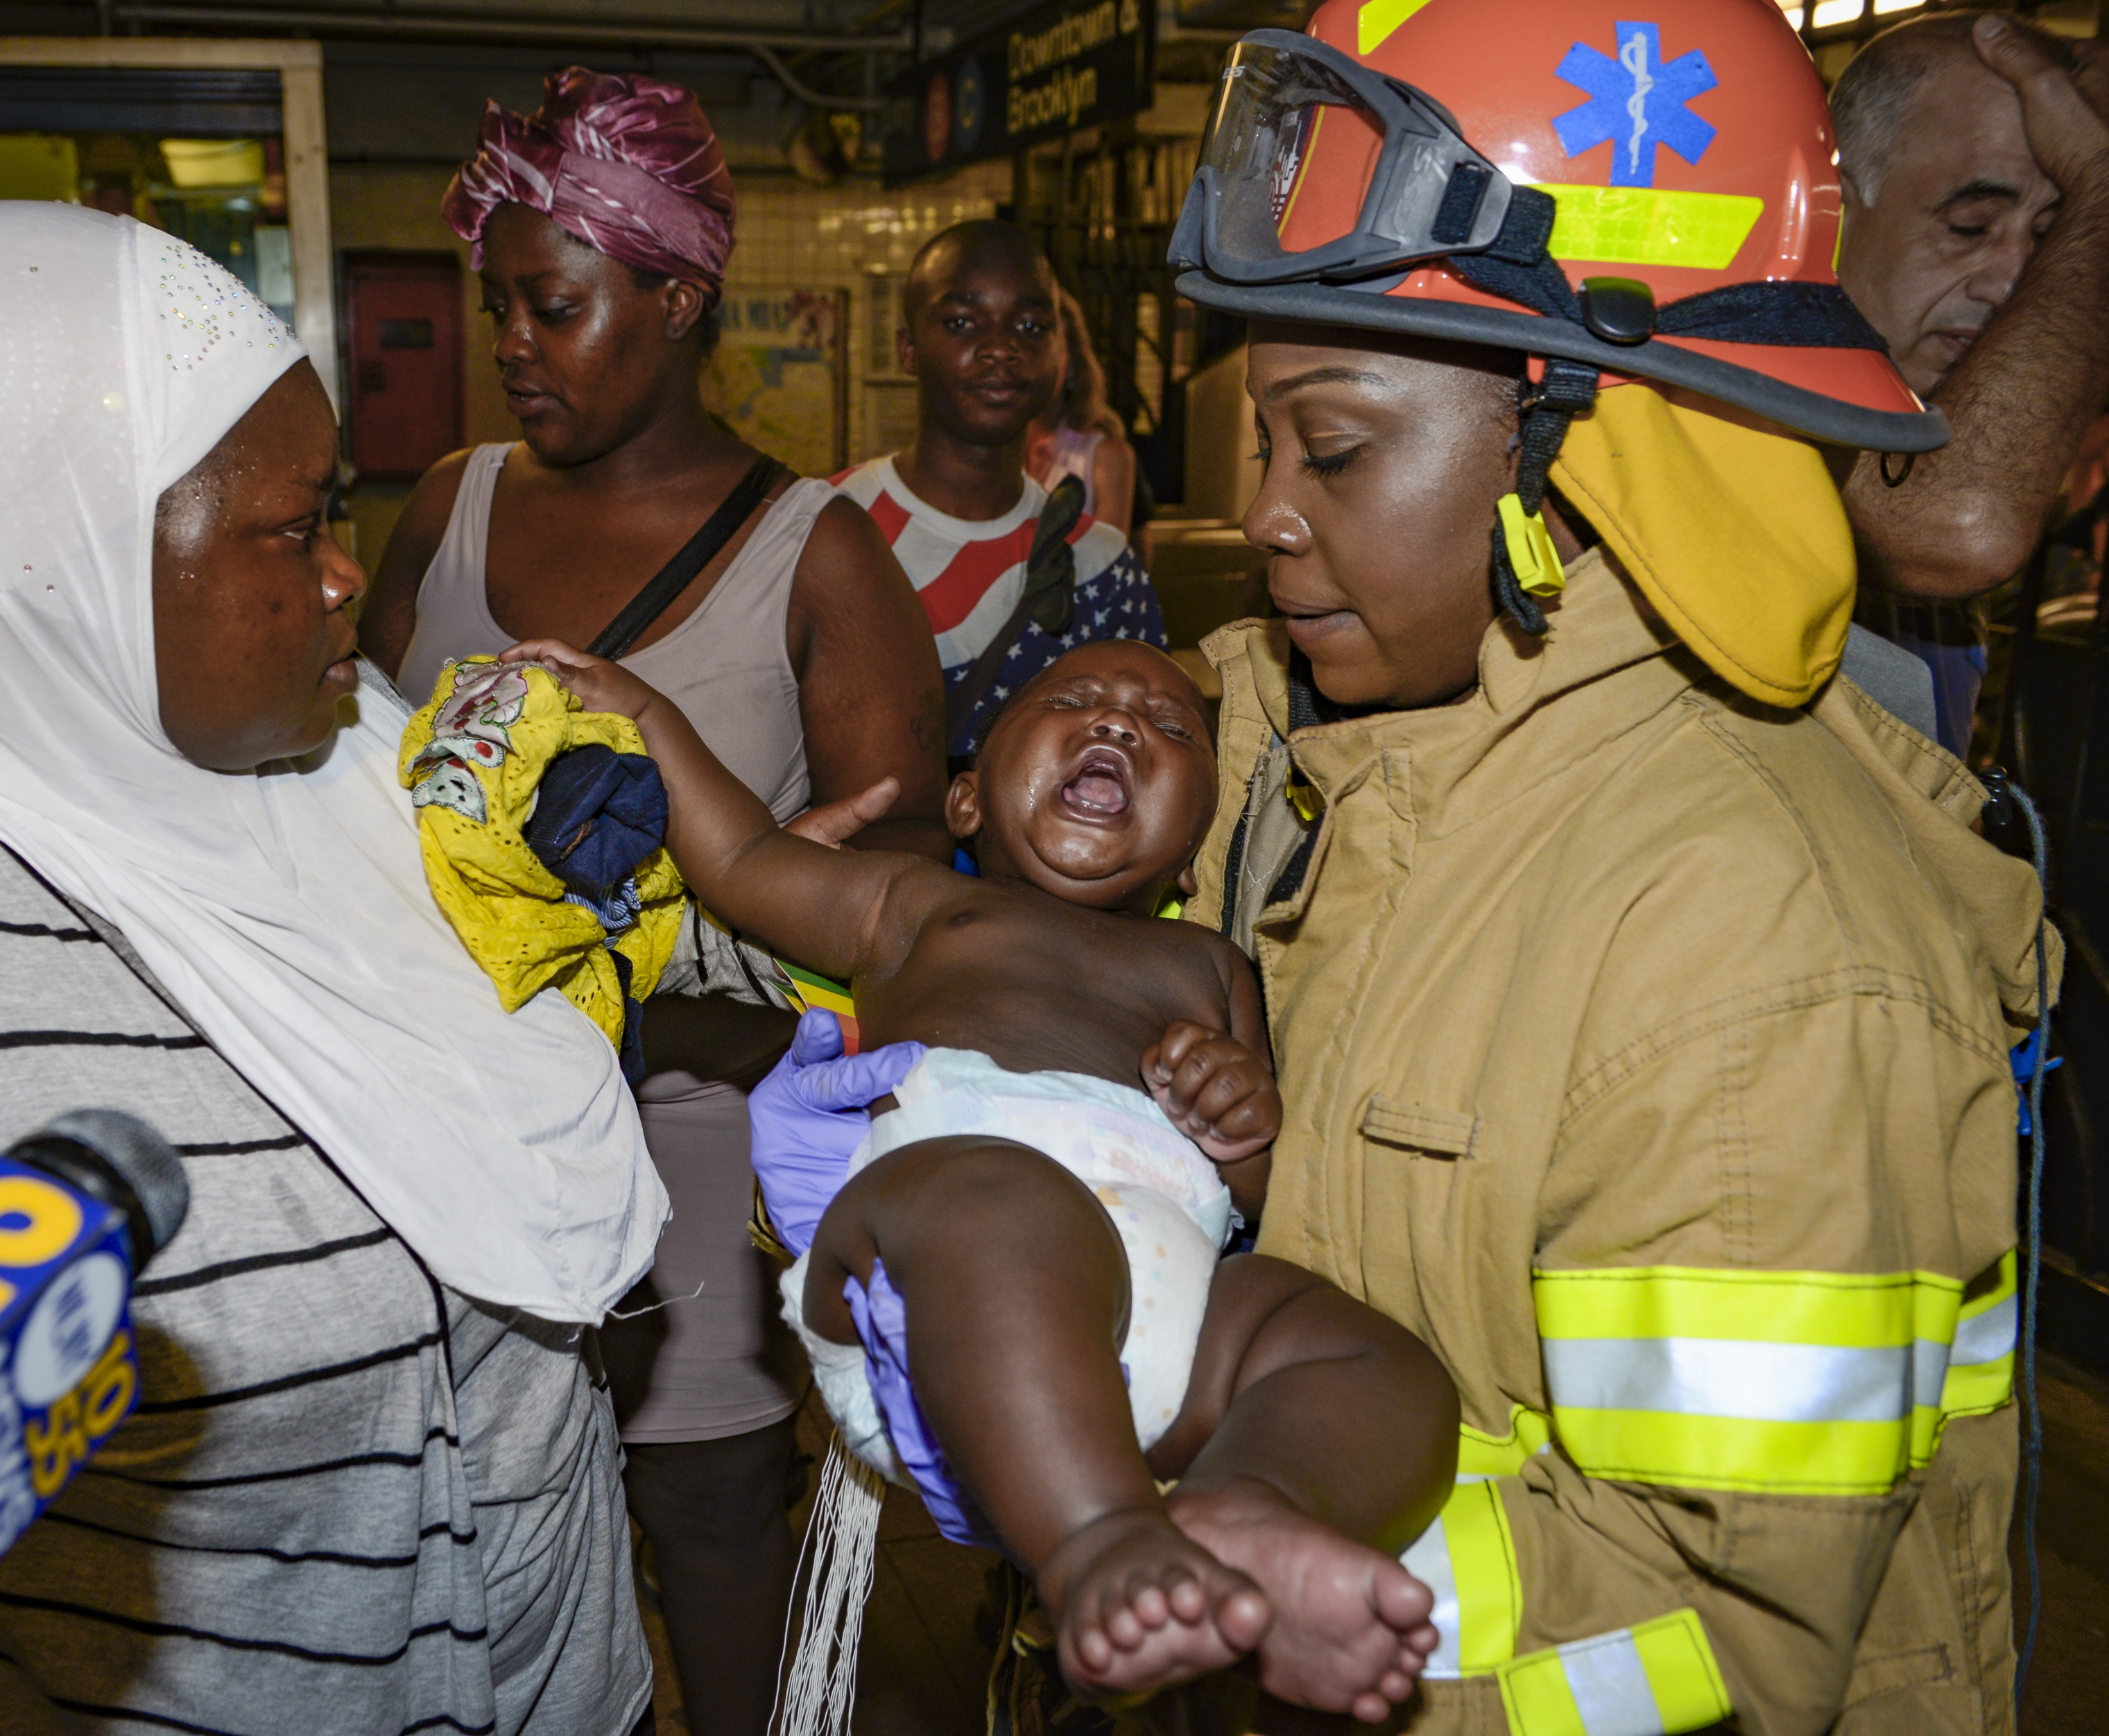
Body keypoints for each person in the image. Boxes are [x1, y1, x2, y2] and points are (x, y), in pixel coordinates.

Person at [767, 3, 2043, 1728]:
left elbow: (1718, 1635)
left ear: (1582, 445)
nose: (1268, 512)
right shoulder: (1314, 725)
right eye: (1264, 440)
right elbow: (1005, 855)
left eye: (1336, 446)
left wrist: (1207, 1559)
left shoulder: (1761, 951)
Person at [0, 202, 659, 1735]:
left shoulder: (370, 769)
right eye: (294, 530)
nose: (339, 581)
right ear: (65, 568)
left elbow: (588, 929)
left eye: (339, 514)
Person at [511, 633, 1454, 1717]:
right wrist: (642, 708)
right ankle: (1097, 1537)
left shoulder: (1212, 966)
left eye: (1168, 726)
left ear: (1195, 857)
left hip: (1162, 1298)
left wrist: (1242, 1125)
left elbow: (1265, 1202)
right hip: (944, 1282)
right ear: (965, 803)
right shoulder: (912, 906)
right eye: (1079, 699)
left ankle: (1246, 1505)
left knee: (1369, 1352)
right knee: (1008, 1202)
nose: (1119, 722)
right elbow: (740, 858)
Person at [352, 69, 947, 1736]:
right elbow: (341, 785)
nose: (513, 346)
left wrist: (693, 920)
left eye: (553, 305)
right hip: (442, 1129)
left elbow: (893, 918)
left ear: (676, 299)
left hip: (691, 1144)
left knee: (701, 1514)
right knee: (455, 1512)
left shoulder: (815, 558)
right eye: (499, 311)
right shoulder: (447, 506)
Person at [1833, 10, 2109, 753]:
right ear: (1831, 208)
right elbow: (1960, 529)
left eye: (2052, 239)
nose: (2016, 283)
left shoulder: (1933, 426)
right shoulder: (1737, 414)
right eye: (1971, 225)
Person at [834, 222, 1165, 757]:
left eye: (1032, 326)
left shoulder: (1102, 566)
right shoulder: (827, 523)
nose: (999, 347)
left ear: (1063, 352)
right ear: (908, 348)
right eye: (962, 322)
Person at [1024, 288, 1144, 546]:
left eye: (1048, 347)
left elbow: (1107, 570)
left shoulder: (1104, 457)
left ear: (1072, 366)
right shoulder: (981, 452)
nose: (1032, 363)